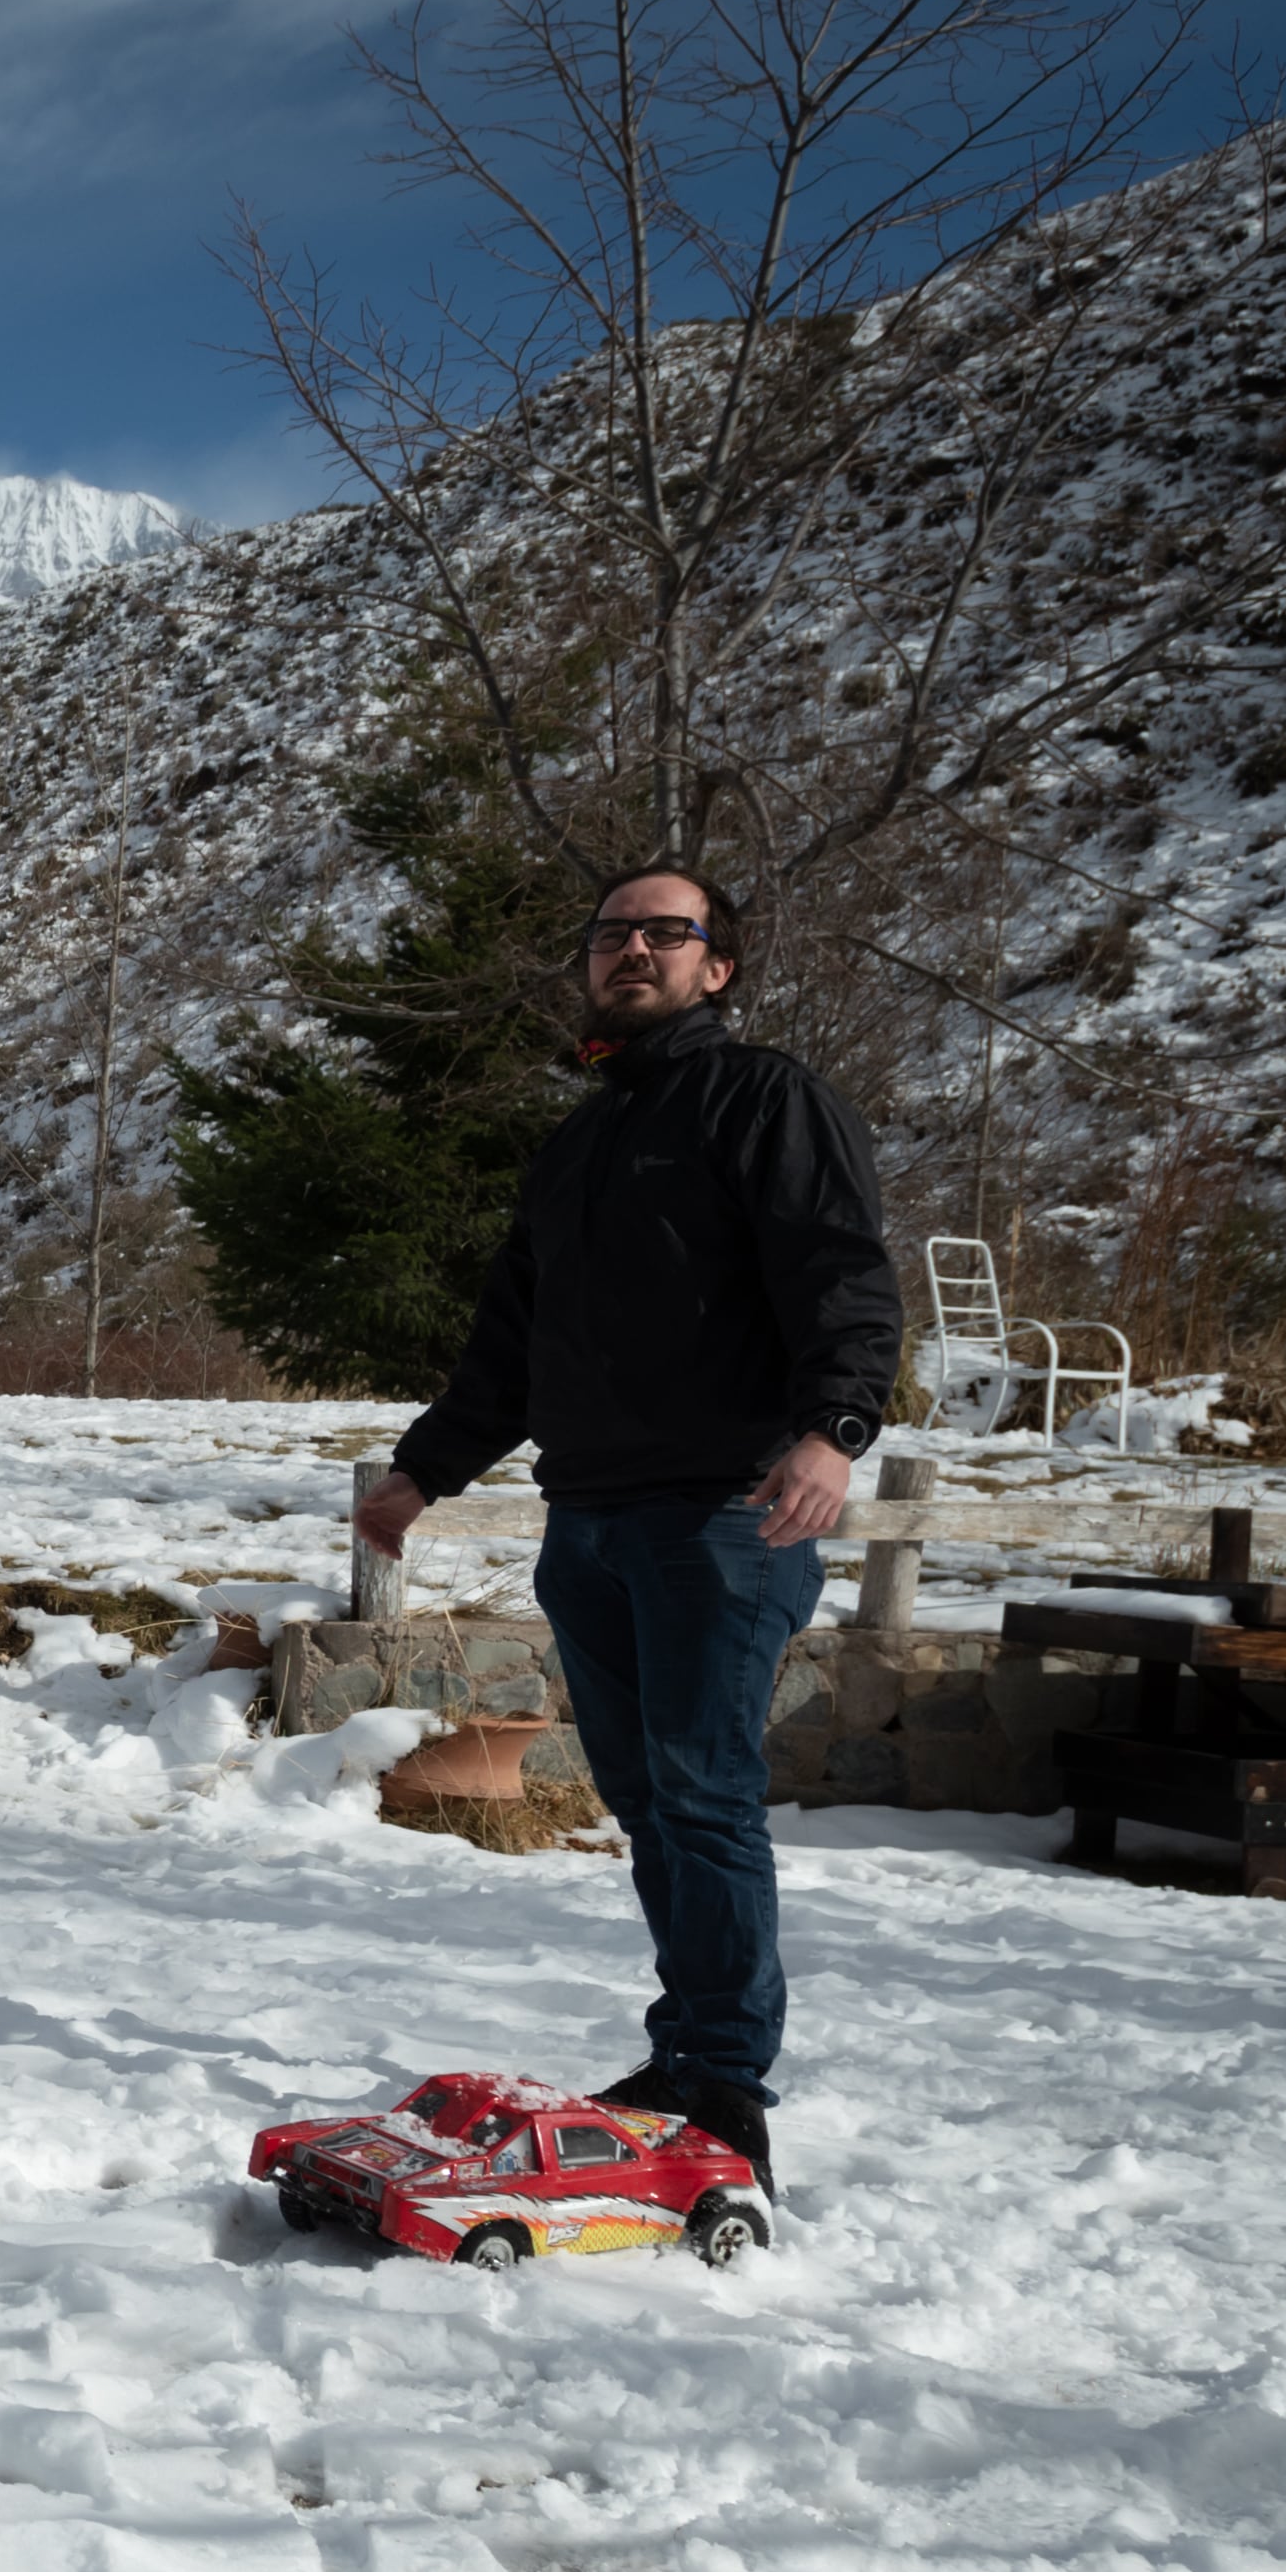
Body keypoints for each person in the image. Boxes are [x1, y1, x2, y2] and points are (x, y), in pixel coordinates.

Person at [357, 869, 900, 2199]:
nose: (636, 950)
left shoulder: (763, 1098)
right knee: (651, 1799)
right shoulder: (580, 1144)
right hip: (590, 1522)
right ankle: (687, 2053)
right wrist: (424, 1470)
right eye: (614, 934)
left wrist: (835, 1425)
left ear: (718, 967)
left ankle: (727, 2084)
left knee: (704, 1793)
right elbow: (512, 1346)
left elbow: (840, 1266)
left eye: (668, 933)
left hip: (728, 1513)